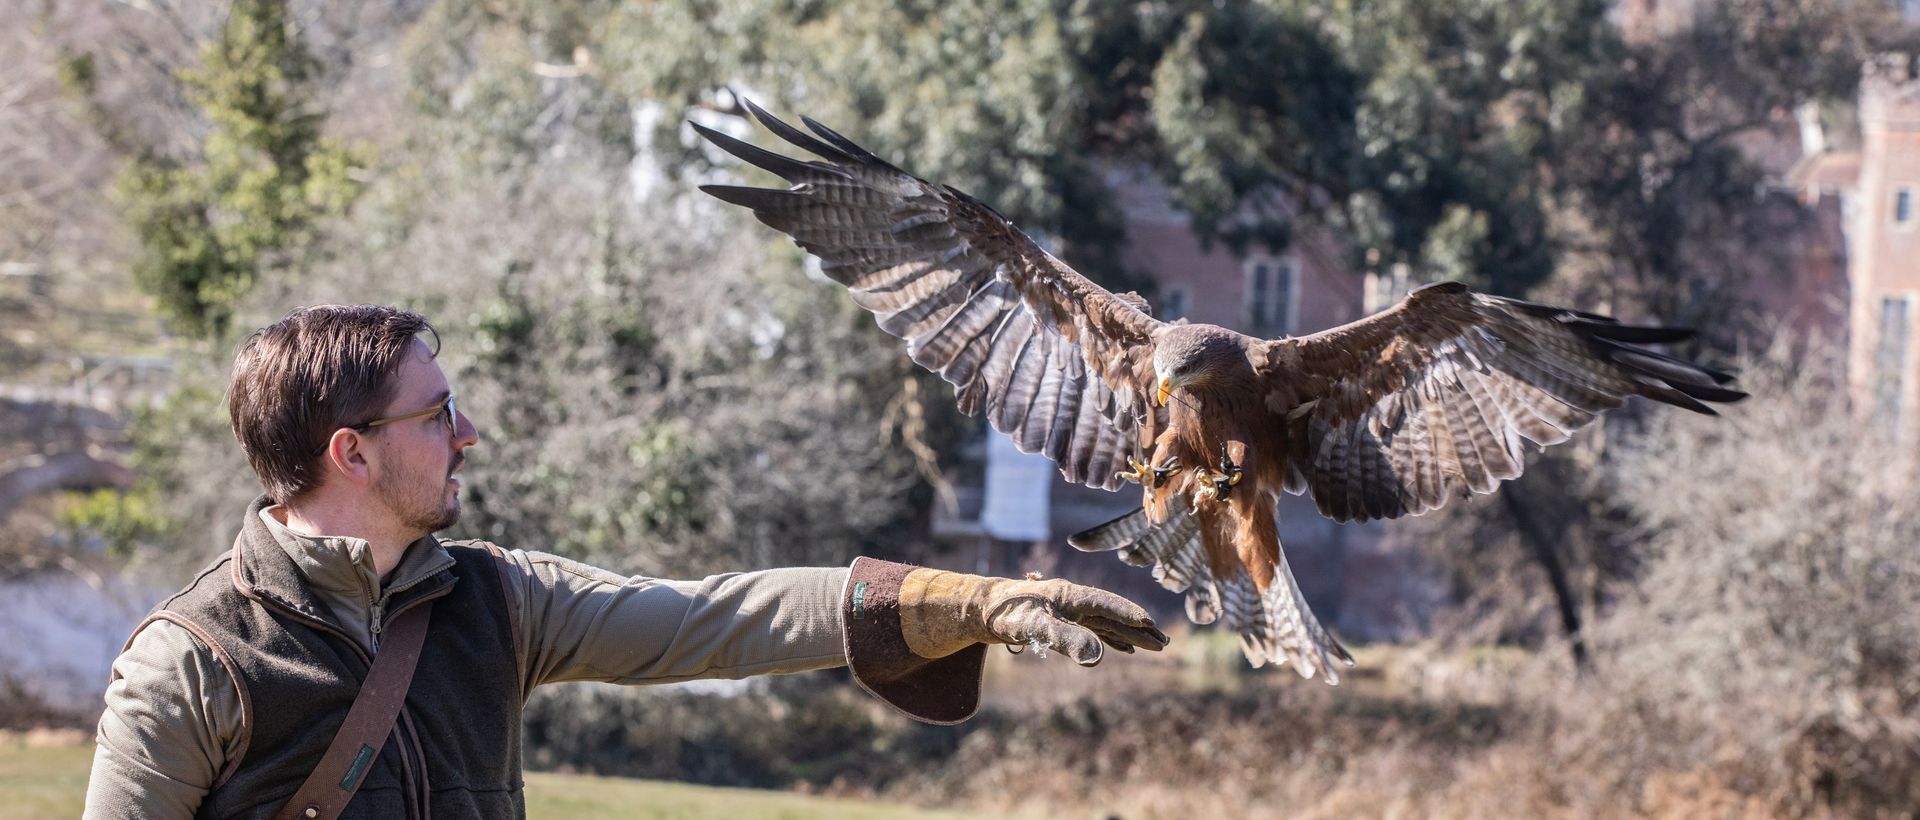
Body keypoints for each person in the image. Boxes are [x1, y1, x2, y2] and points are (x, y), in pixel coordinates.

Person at [83, 304, 1168, 819]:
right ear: (351, 451)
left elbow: (714, 617)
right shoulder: (190, 661)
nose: (469, 434)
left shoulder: (495, 599)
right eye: (440, 412)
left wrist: (970, 601)